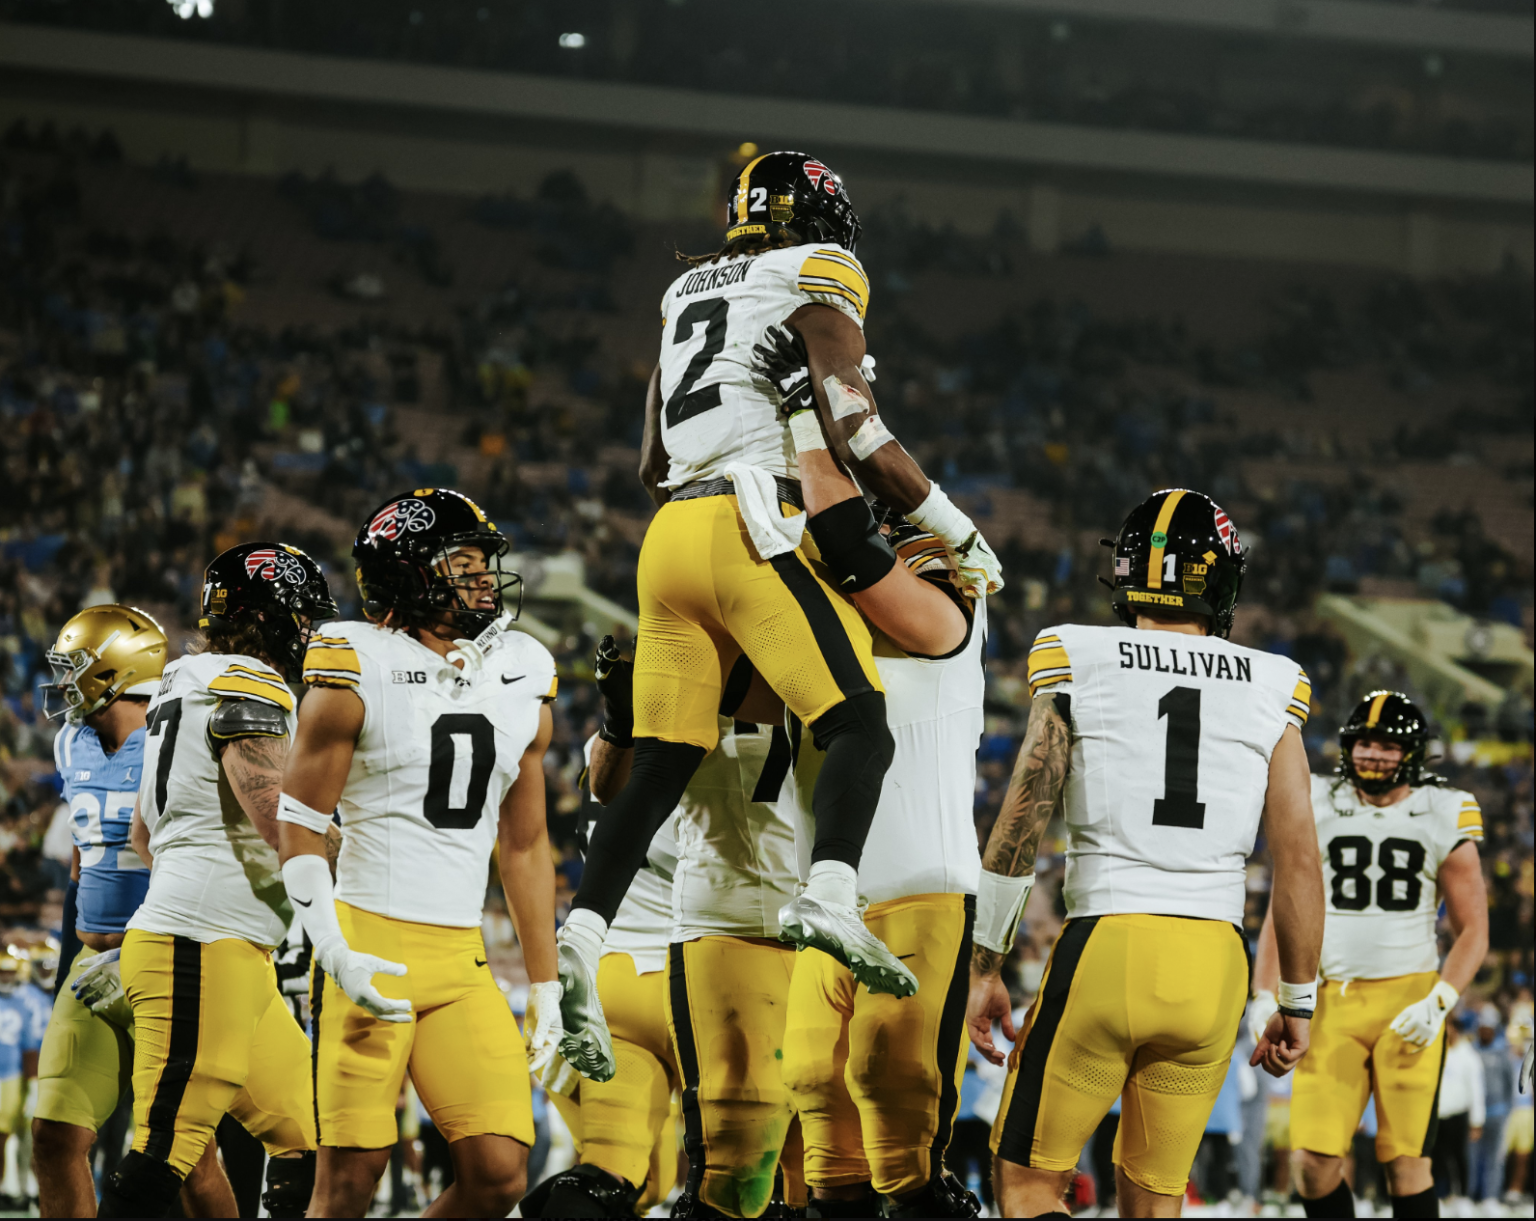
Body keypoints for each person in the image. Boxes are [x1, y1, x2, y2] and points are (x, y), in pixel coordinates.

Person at [557, 150, 1003, 1078]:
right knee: (856, 722)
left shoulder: (687, 289)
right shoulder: (820, 272)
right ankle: (832, 892)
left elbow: (649, 458)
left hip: (668, 532)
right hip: (753, 519)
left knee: (665, 758)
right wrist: (948, 521)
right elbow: (859, 427)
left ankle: (584, 931)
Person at [967, 488, 1325, 1219]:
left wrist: (984, 962)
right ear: (1222, 580)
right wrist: (1297, 999)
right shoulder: (1273, 682)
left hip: (1110, 943)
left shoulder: (1078, 652)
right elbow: (1298, 857)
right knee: (1156, 1201)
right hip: (1215, 964)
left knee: (1031, 1185)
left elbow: (1022, 819)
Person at [277, 489, 563, 1218]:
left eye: (483, 563)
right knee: (349, 1181)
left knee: (500, 1171)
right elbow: (300, 821)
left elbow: (525, 844)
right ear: (405, 574)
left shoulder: (520, 668)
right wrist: (331, 945)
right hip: (368, 938)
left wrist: (548, 984)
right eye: (460, 563)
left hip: (461, 956)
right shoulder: (355, 659)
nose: (482, 580)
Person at [764, 357, 983, 1218]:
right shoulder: (826, 633)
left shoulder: (951, 610)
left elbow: (854, 554)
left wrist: (801, 419)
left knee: (896, 1100)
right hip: (833, 895)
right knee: (819, 1100)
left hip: (924, 889)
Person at [86, 544, 334, 1219]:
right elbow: (277, 820)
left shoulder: (181, 678)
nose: (312, 633)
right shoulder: (251, 680)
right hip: (199, 945)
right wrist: (374, 847)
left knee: (313, 1135)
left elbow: (145, 835)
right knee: (163, 1153)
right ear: (270, 617)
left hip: (225, 951)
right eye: (304, 617)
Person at [564, 636, 807, 1220]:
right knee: (775, 1179)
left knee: (623, 1179)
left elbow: (604, 790)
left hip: (615, 967)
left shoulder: (641, 736)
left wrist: (620, 722)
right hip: (729, 962)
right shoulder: (806, 710)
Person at [1254, 689, 1490, 1219]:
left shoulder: (1445, 808)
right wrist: (1261, 993)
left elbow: (1474, 929)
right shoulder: (1316, 796)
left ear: (1411, 753)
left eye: (1387, 745)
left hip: (1408, 999)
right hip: (1329, 1002)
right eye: (1364, 743)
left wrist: (1440, 1001)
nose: (1372, 754)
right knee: (1311, 1167)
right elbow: (1283, 907)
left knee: (1406, 1165)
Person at [30, 604, 229, 1218]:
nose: (65, 683)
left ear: (115, 671)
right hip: (91, 959)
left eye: (77, 668)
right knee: (55, 1138)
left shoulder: (180, 737)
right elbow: (84, 857)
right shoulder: (71, 739)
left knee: (185, 1157)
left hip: (163, 963)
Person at [522, 678, 683, 1219]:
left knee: (627, 1177)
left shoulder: (602, 746)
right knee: (770, 1166)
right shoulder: (716, 738)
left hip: (603, 978)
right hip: (697, 973)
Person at [1433, 1015, 1482, 1205]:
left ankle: (1462, 1197)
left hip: (1458, 1114)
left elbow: (1476, 1090)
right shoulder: (1435, 1052)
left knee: (1459, 1158)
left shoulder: (1467, 1055)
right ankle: (1442, 1196)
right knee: (1437, 1158)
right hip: (1437, 1114)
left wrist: (1477, 1120)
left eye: (1448, 1027)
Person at [1473, 1004, 1515, 1203]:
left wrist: (1507, 1111)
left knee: (1494, 1158)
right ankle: (1471, 1195)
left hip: (1497, 1113)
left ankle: (1490, 1197)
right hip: (1475, 1115)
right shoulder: (1472, 1050)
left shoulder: (1502, 1052)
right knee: (1472, 1158)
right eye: (1483, 1027)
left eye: (1489, 1028)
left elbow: (1509, 1083)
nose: (1485, 1031)